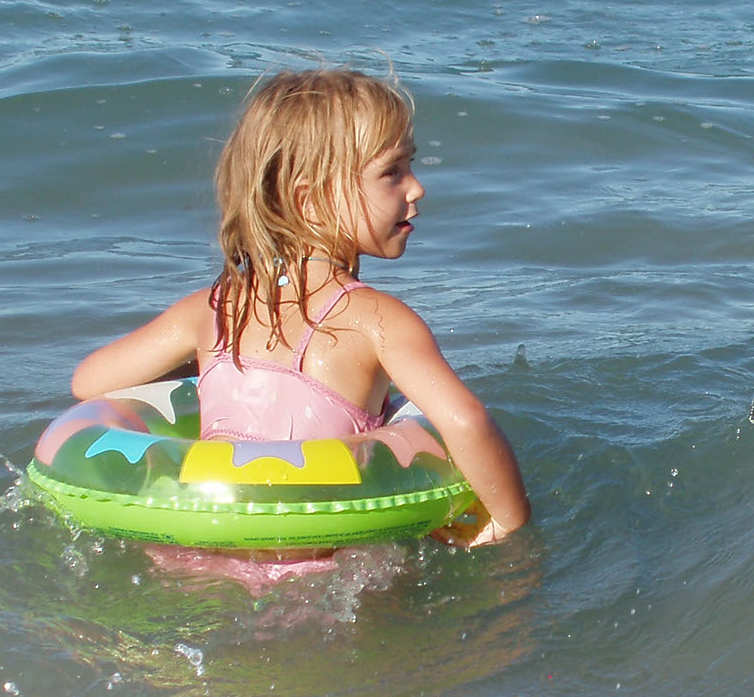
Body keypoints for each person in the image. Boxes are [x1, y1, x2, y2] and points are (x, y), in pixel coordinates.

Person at [71, 68, 529, 551]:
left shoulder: (211, 310)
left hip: (200, 555)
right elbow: (465, 422)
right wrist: (509, 524)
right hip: (329, 568)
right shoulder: (378, 321)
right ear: (309, 201)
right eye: (392, 172)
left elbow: (90, 383)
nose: (416, 189)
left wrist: (199, 364)